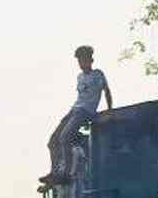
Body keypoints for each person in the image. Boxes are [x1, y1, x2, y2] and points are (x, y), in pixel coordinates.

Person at [41, 45, 112, 188]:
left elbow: (106, 92)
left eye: (84, 60)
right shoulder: (79, 77)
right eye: (79, 61)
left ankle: (66, 175)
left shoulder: (97, 75)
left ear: (91, 60)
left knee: (65, 137)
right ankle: (54, 173)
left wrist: (110, 110)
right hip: (74, 109)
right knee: (53, 141)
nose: (82, 64)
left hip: (86, 111)